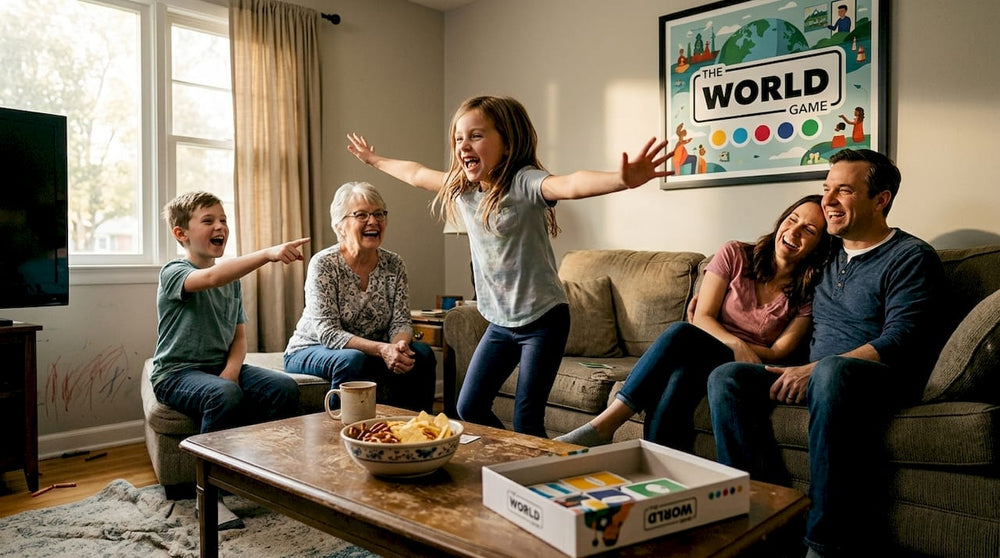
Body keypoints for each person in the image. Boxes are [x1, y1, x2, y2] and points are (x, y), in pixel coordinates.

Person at [346, 95, 672, 436]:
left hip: (544, 320)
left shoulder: (524, 182)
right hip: (500, 322)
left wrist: (621, 180)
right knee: (469, 406)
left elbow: (570, 183)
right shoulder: (463, 189)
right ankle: (515, 460)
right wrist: (373, 160)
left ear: (507, 142)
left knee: (527, 419)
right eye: (458, 138)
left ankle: (537, 475)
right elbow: (415, 173)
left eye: (476, 136)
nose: (463, 146)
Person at [707, 149, 946, 557]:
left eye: (844, 191)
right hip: (815, 373)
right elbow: (774, 261)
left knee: (833, 373)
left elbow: (904, 338)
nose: (828, 201)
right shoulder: (825, 255)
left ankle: (822, 544)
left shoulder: (910, 257)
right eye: (826, 189)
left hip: (874, 377)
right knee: (726, 378)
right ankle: (764, 510)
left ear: (881, 199)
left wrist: (815, 369)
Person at [555, 195, 831, 448]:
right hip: (708, 353)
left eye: (809, 230)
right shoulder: (735, 254)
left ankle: (606, 425)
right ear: (781, 220)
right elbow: (703, 316)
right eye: (792, 219)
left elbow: (779, 351)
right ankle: (654, 462)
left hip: (749, 367)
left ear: (819, 246)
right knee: (681, 374)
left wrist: (732, 347)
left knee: (682, 335)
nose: (794, 232)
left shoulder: (809, 291)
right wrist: (735, 344)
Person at [151, 191, 307, 435]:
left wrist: (231, 371)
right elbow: (211, 278)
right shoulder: (173, 272)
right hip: (175, 375)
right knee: (224, 393)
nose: (220, 227)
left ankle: (266, 460)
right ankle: (215, 470)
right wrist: (267, 254)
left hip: (218, 367)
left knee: (284, 388)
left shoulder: (231, 281)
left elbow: (239, 337)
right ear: (181, 234)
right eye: (208, 221)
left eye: (223, 220)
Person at [284, 181, 437, 414]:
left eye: (379, 214)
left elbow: (401, 321)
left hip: (368, 351)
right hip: (311, 348)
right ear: (340, 225)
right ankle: (336, 434)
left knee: (422, 355)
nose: (373, 221)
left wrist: (398, 346)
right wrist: (382, 349)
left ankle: (417, 431)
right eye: (361, 215)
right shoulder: (324, 264)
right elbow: (328, 333)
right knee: (352, 360)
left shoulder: (394, 264)